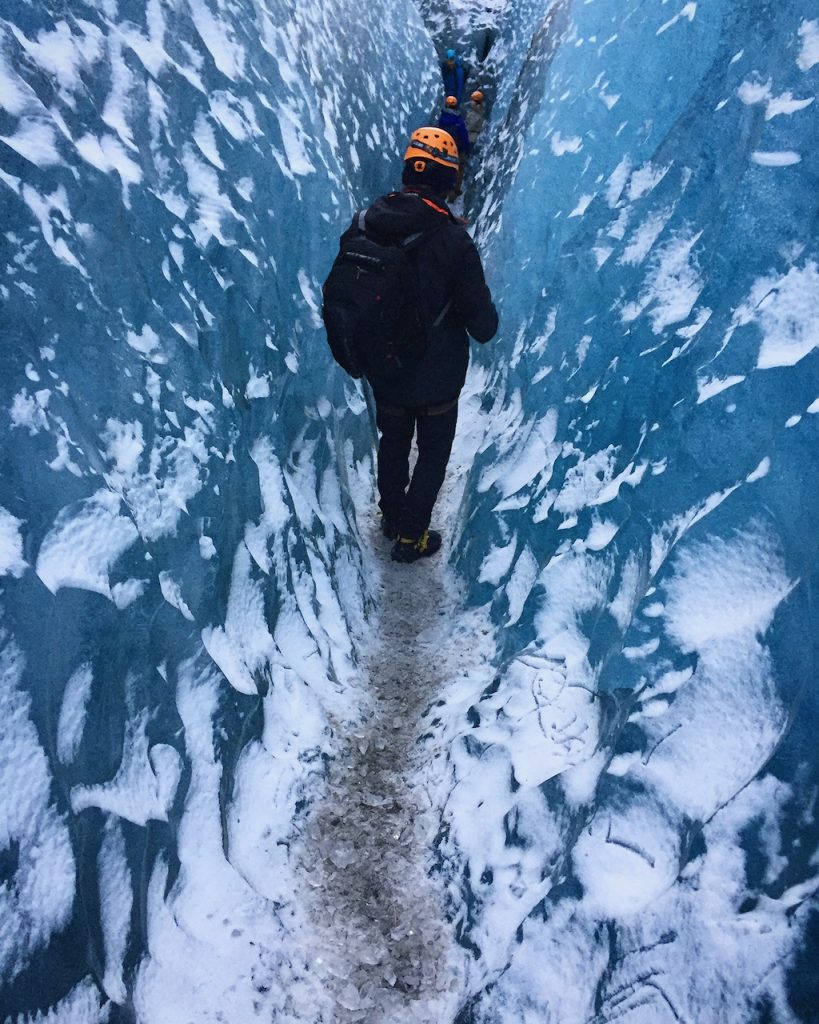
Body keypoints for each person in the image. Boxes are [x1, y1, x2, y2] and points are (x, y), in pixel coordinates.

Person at [338, 127, 498, 563]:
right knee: (431, 452)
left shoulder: (366, 223)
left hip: (384, 366)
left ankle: (391, 517)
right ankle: (412, 536)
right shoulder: (453, 241)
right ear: (447, 182)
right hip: (436, 376)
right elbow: (483, 325)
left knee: (393, 439)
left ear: (408, 170)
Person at [438, 97, 469, 196]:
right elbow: (464, 136)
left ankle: (442, 189)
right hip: (457, 149)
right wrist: (466, 149)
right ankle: (454, 191)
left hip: (443, 148)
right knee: (458, 169)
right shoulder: (459, 121)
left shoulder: (442, 119)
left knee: (443, 168)